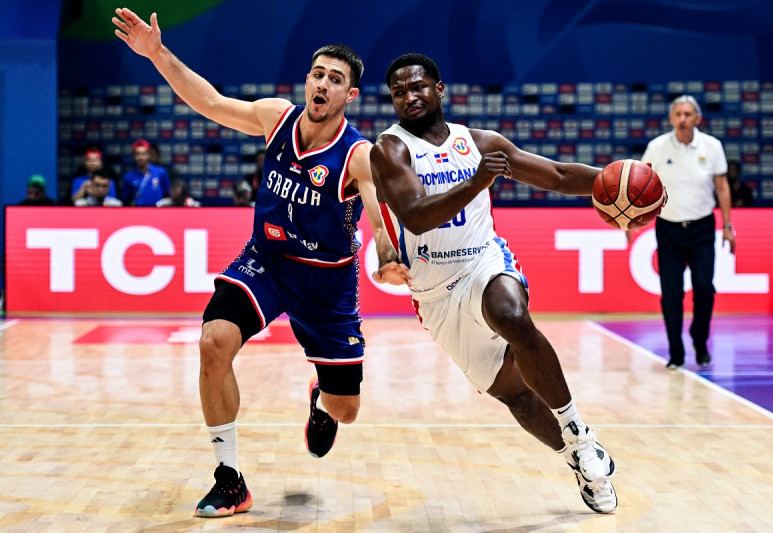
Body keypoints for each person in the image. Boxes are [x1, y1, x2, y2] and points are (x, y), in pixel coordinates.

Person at [114, 7, 393, 519]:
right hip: (266, 260)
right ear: (307, 80)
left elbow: (377, 211)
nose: (323, 85)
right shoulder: (276, 117)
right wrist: (157, 53)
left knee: (345, 411)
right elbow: (211, 101)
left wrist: (391, 255)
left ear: (350, 95)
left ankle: (320, 396)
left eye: (336, 80)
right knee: (213, 340)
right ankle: (229, 478)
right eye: (318, 75)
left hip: (327, 285)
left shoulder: (357, 155)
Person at [369, 53, 617, 514]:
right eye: (399, 92)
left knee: (510, 315)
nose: (410, 96)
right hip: (435, 292)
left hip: (483, 260)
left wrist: (612, 181)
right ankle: (576, 461)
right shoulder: (389, 149)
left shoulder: (478, 142)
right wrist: (478, 181)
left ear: (440, 89)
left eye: (418, 86)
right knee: (517, 397)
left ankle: (580, 433)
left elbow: (559, 175)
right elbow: (416, 217)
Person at [641, 95, 735, 370]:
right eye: (678, 114)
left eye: (688, 114)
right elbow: (641, 184)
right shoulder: (657, 147)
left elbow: (722, 188)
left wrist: (728, 226)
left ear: (698, 119)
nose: (683, 119)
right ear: (671, 118)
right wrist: (632, 222)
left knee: (705, 288)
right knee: (671, 292)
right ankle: (676, 352)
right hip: (668, 229)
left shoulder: (712, 146)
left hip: (702, 228)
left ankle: (700, 339)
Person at [120, 138, 171, 206]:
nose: (140, 157)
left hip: (157, 213)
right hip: (138, 213)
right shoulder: (128, 177)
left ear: (149, 155)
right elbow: (126, 200)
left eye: (143, 154)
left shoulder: (161, 172)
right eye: (137, 154)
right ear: (134, 156)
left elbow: (167, 195)